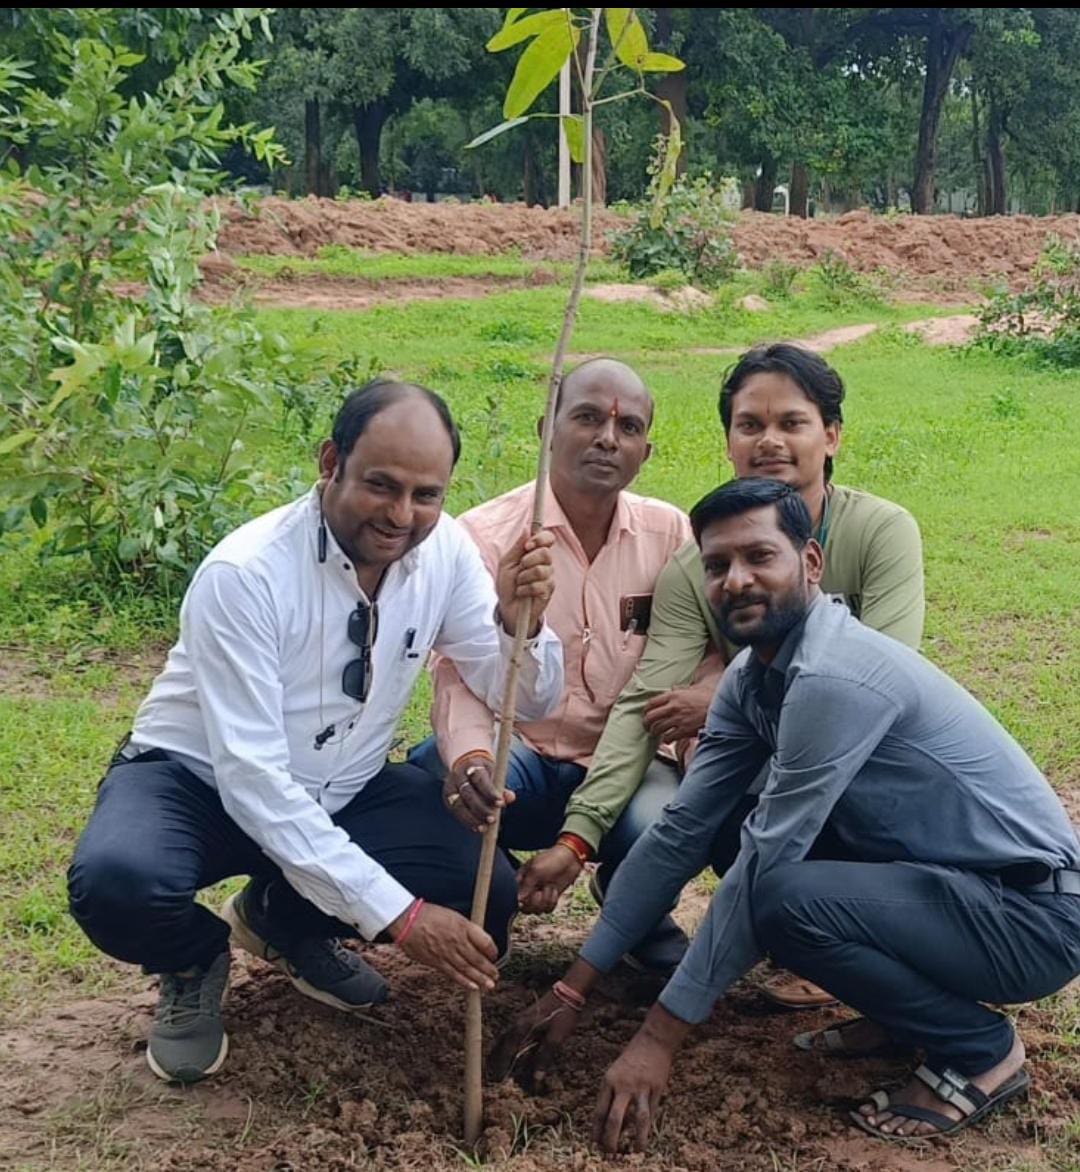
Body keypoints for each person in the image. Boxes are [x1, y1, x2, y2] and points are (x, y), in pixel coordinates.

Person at [493, 478, 1080, 1148]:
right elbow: (683, 829)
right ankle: (909, 1017)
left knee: (782, 895)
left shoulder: (833, 676)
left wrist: (659, 1037)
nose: (736, 580)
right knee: (736, 839)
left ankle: (980, 1049)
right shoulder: (755, 675)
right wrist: (574, 987)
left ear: (810, 564)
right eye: (717, 566)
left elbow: (764, 865)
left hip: (1031, 917)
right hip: (954, 891)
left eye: (759, 558)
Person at [67, 379, 564, 1085]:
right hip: (198, 780)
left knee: (480, 881)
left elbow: (530, 697)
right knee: (118, 882)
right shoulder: (246, 575)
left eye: (427, 494)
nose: (401, 515)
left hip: (342, 785)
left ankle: (283, 920)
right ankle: (191, 956)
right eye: (381, 485)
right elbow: (254, 781)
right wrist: (402, 918)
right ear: (330, 461)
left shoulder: (446, 554)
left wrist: (522, 625)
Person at [516, 343, 924, 1008]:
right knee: (724, 813)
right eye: (749, 425)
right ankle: (768, 933)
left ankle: (864, 952)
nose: (770, 442)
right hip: (764, 775)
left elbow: (879, 687)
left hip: (866, 766)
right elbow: (645, 700)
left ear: (831, 435)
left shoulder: (882, 533)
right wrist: (578, 834)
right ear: (729, 441)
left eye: (791, 423)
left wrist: (723, 699)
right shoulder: (693, 569)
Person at [409, 358, 692, 971]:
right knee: (447, 784)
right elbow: (456, 671)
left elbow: (698, 656)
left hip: (625, 768)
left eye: (628, 427)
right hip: (523, 756)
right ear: (547, 428)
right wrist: (472, 758)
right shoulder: (483, 536)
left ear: (646, 450)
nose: (606, 438)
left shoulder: (671, 535)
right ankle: (488, 901)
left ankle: (632, 905)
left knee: (672, 818)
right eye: (587, 418)